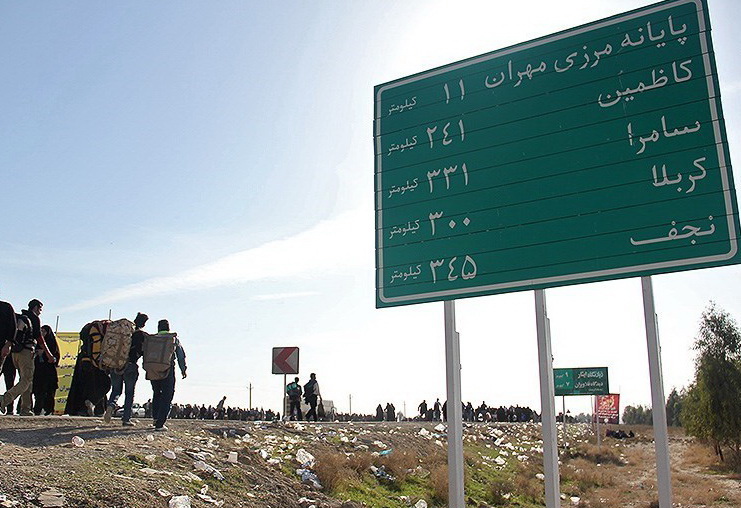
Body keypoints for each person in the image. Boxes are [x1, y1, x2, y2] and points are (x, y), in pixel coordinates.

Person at [1, 300, 54, 416]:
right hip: (26, 352)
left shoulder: (20, 317)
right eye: (40, 309)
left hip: (15, 353)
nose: (40, 312)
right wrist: (49, 354)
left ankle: (25, 409)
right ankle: (4, 399)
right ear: (35, 308)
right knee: (26, 379)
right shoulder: (34, 318)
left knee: (27, 381)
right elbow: (40, 339)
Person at [104, 312, 148, 426]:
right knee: (129, 393)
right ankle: (126, 419)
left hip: (117, 364)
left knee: (116, 390)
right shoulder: (141, 335)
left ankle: (111, 405)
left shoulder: (125, 332)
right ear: (144, 323)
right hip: (131, 366)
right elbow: (143, 351)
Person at [148, 319, 186, 431]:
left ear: (158, 328)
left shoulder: (152, 339)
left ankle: (155, 418)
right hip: (168, 369)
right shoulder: (173, 339)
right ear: (168, 328)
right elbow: (180, 355)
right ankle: (160, 424)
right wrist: (183, 369)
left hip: (153, 370)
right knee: (167, 395)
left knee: (156, 393)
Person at [32, 325, 59, 415]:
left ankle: (49, 410)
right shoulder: (37, 343)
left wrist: (45, 354)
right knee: (38, 392)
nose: (43, 333)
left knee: (49, 392)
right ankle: (37, 410)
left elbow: (55, 358)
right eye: (41, 331)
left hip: (49, 372)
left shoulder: (52, 344)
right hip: (38, 372)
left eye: (44, 331)